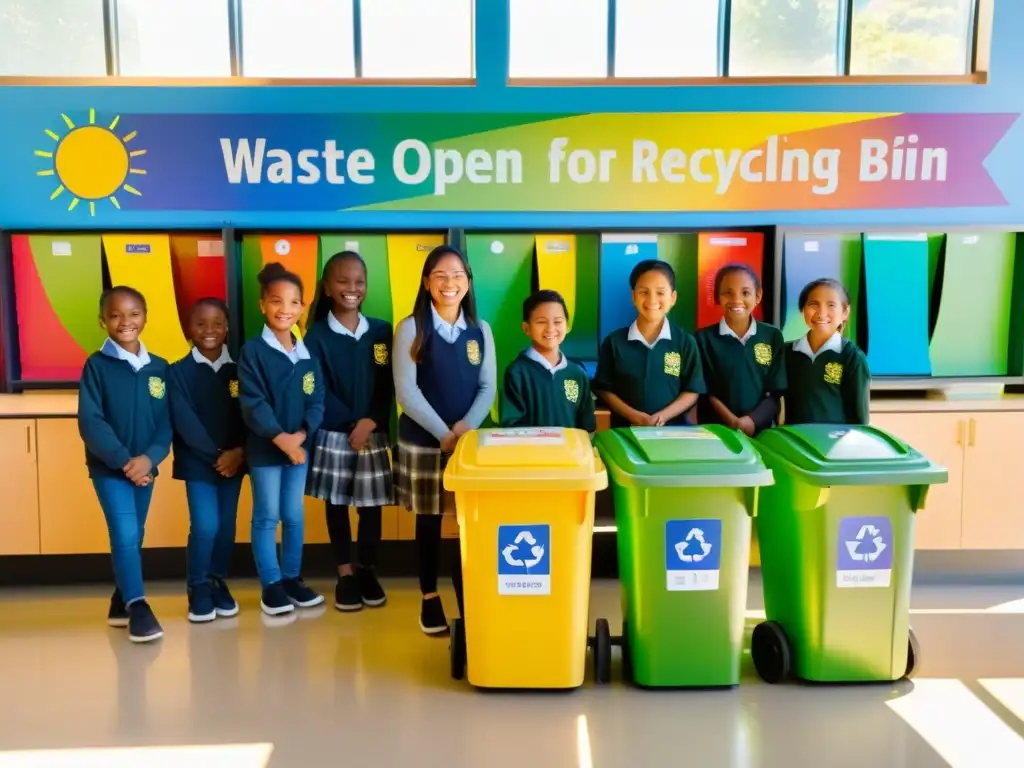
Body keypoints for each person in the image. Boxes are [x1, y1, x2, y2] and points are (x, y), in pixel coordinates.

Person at [392, 244, 496, 635]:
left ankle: (470, 592)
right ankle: (429, 597)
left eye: (457, 276)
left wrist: (464, 429)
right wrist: (444, 434)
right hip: (424, 442)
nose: (449, 283)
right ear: (426, 282)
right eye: (440, 275)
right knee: (429, 522)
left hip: (467, 445)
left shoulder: (479, 330)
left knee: (469, 522)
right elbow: (407, 392)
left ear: (468, 283)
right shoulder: (411, 327)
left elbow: (488, 387)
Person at [77, 286, 171, 643]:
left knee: (136, 533)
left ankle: (120, 598)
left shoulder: (159, 368)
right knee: (125, 532)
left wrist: (148, 459)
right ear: (103, 321)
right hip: (109, 469)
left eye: (133, 313)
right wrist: (124, 462)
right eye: (115, 315)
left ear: (145, 317)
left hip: (146, 469)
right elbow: (91, 421)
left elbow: (165, 422)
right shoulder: (96, 366)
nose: (125, 321)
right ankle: (138, 605)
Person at [304, 250, 393, 613]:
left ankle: (368, 570)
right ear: (327, 287)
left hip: (373, 433)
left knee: (372, 509)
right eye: (342, 281)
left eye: (359, 281)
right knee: (337, 506)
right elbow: (317, 389)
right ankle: (345, 575)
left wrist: (371, 420)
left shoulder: (382, 331)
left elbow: (388, 383)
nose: (352, 288)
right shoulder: (316, 336)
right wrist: (350, 425)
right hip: (334, 434)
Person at [238, 262, 326, 616]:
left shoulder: (307, 355)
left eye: (293, 303)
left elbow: (317, 400)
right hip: (266, 451)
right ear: (262, 305)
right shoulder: (253, 351)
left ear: (302, 308)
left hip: (298, 451)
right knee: (267, 515)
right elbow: (253, 403)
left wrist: (302, 435)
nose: (284, 310)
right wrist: (281, 439)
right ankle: (271, 585)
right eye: (276, 301)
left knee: (293, 514)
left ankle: (292, 578)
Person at [168, 298, 246, 623]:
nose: (209, 330)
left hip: (235, 461)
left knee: (226, 526)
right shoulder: (177, 372)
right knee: (205, 524)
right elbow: (185, 422)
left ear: (227, 327)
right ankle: (197, 585)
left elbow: (250, 416)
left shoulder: (241, 368)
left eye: (217, 323)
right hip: (199, 463)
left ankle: (217, 580)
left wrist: (239, 453)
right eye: (201, 323)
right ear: (189, 328)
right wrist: (217, 457)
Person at [594, 259, 705, 428]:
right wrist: (635, 416)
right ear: (633, 296)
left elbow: (692, 391)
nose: (652, 300)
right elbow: (605, 390)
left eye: (660, 293)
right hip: (626, 433)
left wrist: (662, 417)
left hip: (673, 433)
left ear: (673, 297)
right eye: (644, 292)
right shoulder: (614, 342)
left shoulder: (685, 342)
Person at [695, 264, 786, 436]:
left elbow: (775, 392)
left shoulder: (772, 336)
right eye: (728, 293)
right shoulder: (702, 339)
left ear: (758, 296)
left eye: (745, 293)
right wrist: (733, 422)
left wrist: (751, 420)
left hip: (762, 432)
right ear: (717, 297)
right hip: (716, 431)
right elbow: (705, 392)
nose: (736, 299)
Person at [500, 289, 596, 432]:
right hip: (531, 453)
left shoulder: (577, 373)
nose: (550, 329)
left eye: (557, 322)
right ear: (526, 328)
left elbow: (587, 426)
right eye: (541, 322)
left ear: (567, 326)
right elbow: (511, 425)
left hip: (569, 453)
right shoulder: (517, 373)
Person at [783, 278, 870, 425]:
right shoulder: (787, 352)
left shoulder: (852, 357)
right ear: (802, 310)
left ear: (845, 312)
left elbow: (860, 416)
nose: (821, 312)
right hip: (796, 440)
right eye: (813, 304)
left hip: (834, 442)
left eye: (831, 305)